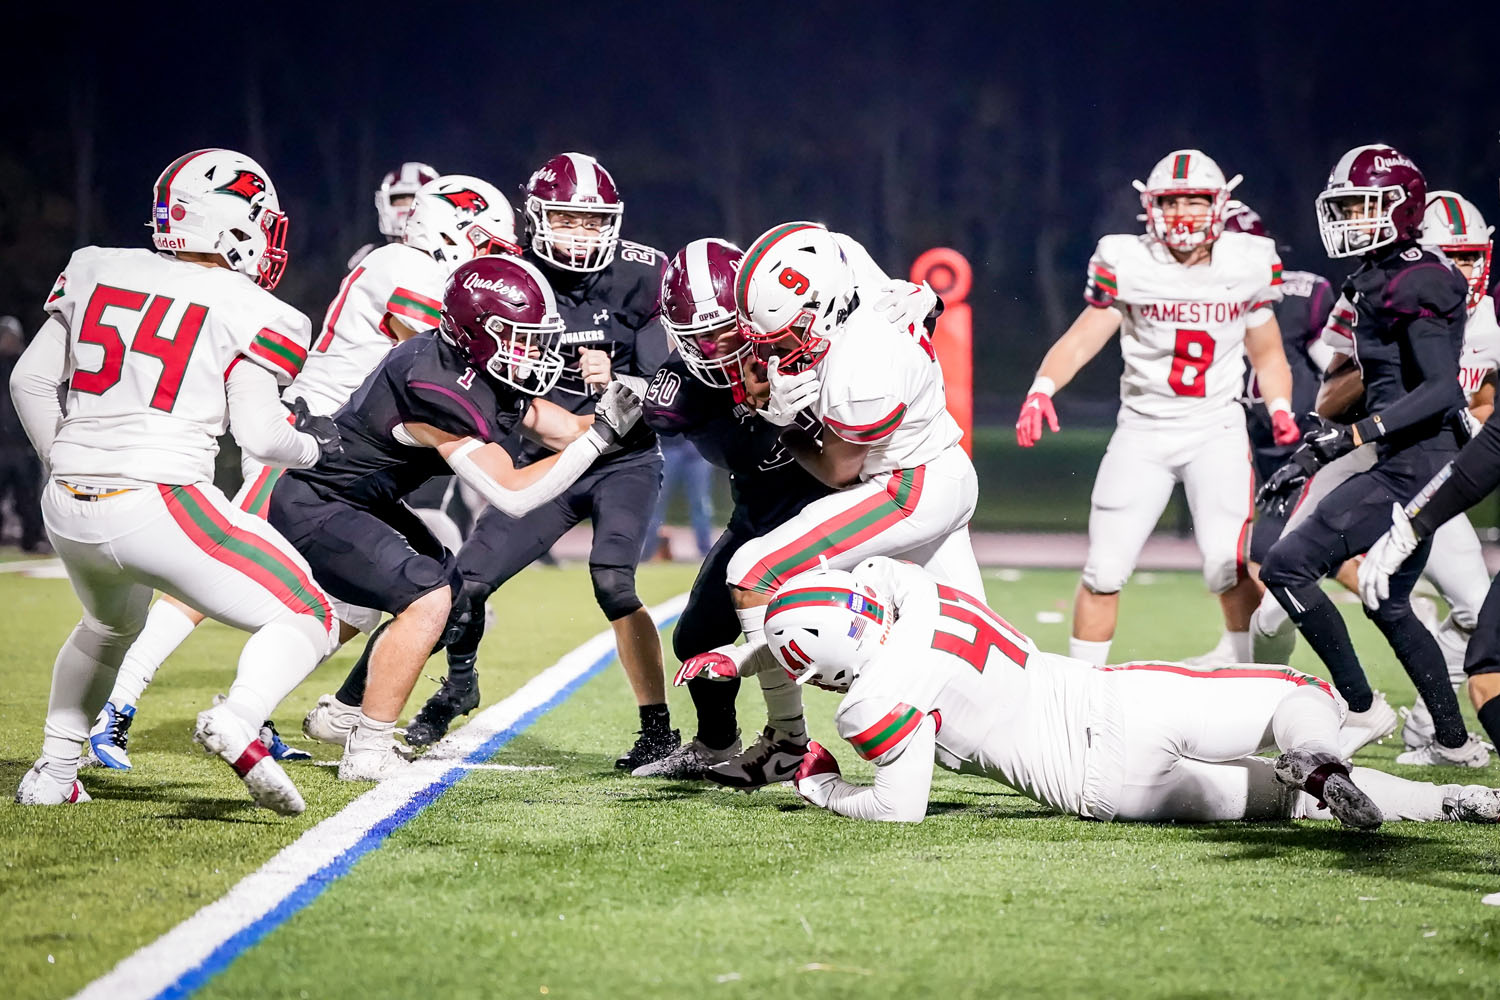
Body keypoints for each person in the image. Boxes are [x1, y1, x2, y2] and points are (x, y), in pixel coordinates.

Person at [84, 175, 520, 771]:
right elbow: (437, 361)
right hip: (313, 441)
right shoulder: (407, 265)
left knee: (356, 599)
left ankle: (266, 710)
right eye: (488, 244)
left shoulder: (417, 268)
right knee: (211, 568)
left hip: (350, 460)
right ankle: (117, 702)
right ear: (452, 230)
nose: (495, 261)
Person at [9, 148, 340, 814]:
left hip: (67, 506)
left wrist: (68, 460)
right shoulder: (250, 306)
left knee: (108, 627)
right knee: (309, 612)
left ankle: (52, 773)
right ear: (232, 224)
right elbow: (262, 436)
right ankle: (241, 718)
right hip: (159, 498)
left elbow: (28, 381)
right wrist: (316, 446)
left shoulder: (95, 266)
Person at [761, 559, 1500, 828]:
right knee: (1293, 694)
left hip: (1105, 783)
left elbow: (901, 807)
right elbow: (873, 578)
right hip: (1117, 699)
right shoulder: (912, 586)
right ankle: (1330, 759)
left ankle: (1344, 782)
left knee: (1290, 806)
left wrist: (825, 789)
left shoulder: (871, 698)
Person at [275, 254, 644, 780]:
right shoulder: (434, 382)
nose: (533, 351)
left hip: (361, 499)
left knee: (451, 594)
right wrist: (605, 436)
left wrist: (628, 407)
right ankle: (369, 749)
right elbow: (512, 493)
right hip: (321, 502)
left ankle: (346, 714)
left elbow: (563, 430)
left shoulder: (474, 366)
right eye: (519, 336)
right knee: (427, 597)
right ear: (477, 331)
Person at [402, 152, 677, 770]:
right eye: (567, 219)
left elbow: (671, 383)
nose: (581, 234)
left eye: (592, 220)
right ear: (534, 217)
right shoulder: (506, 274)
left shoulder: (641, 275)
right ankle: (457, 686)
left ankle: (656, 729)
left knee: (614, 582)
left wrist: (625, 379)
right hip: (539, 459)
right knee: (464, 582)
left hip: (620, 458)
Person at [699, 220, 977, 788]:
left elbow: (836, 467)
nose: (772, 349)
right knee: (965, 681)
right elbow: (852, 254)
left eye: (784, 334)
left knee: (752, 571)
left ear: (823, 304)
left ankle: (785, 742)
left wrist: (781, 423)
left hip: (908, 485)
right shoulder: (855, 280)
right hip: (939, 468)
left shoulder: (863, 367)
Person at [1016, 150, 1296, 669]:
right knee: (1103, 570)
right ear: (1151, 207)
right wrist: (1041, 388)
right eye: (1172, 201)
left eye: (1195, 200)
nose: (1185, 212)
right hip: (1142, 432)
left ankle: (1248, 677)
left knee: (1227, 565)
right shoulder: (1127, 260)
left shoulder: (1247, 261)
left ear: (1220, 205)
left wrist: (1279, 404)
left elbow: (1268, 349)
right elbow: (1083, 338)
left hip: (1216, 428)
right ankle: (1081, 692)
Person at [1256, 144, 1486, 768]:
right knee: (1387, 602)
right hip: (1406, 457)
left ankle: (1362, 706)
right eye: (1346, 206)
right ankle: (1454, 742)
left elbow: (1441, 389)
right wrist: (1306, 458)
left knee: (1286, 565)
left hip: (1418, 463)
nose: (1351, 217)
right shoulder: (1379, 276)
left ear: (1401, 208)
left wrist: (1355, 438)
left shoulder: (1420, 277)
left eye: (1364, 205)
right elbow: (1360, 390)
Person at [631, 238, 836, 778]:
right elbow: (741, 451)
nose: (719, 349)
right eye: (702, 338)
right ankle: (718, 742)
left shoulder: (805, 332)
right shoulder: (682, 395)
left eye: (728, 331)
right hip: (764, 515)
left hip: (845, 508)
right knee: (696, 638)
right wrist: (759, 406)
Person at [0, 315, 45, 551]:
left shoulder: (27, 364)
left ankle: (32, 539)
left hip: (23, 444)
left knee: (27, 497)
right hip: (1, 445)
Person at [348, 161, 439, 270]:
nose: (406, 208)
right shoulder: (369, 256)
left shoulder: (452, 256)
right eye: (399, 200)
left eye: (414, 200)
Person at [641, 435, 716, 561]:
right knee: (656, 502)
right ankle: (646, 553)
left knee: (701, 503)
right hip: (667, 447)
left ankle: (706, 553)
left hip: (698, 450)